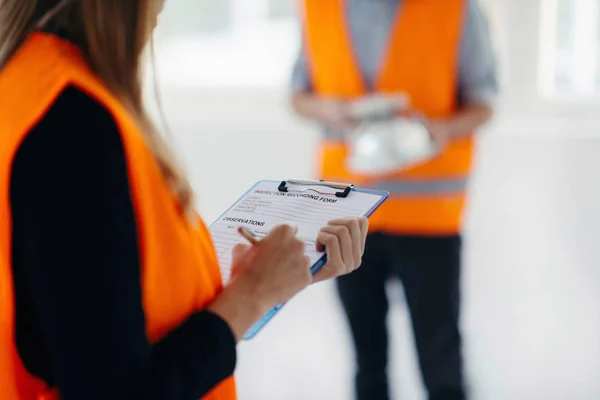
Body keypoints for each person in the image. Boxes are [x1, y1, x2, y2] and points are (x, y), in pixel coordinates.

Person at [0, 1, 369, 399]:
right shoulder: (74, 125)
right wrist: (250, 296)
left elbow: (99, 310)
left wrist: (270, 277)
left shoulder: (31, 85)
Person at [290, 0, 498, 399]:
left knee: (441, 363)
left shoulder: (456, 10)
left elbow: (485, 100)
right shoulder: (319, 9)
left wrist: (440, 129)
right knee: (368, 365)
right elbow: (297, 94)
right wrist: (329, 110)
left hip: (429, 217)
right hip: (347, 214)